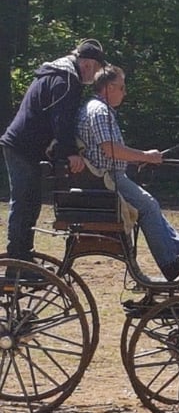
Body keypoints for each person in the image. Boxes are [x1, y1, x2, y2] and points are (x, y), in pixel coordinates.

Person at [76, 64, 179, 281]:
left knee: (151, 205)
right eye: (122, 88)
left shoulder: (95, 109)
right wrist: (146, 156)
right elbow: (110, 149)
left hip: (109, 177)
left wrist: (136, 160)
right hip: (106, 180)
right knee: (148, 206)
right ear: (109, 87)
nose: (125, 92)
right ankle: (171, 263)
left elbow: (108, 151)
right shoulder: (100, 111)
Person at [1, 39, 106, 275]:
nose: (97, 76)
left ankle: (22, 260)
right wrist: (70, 153)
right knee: (24, 203)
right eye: (98, 69)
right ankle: (16, 265)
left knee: (30, 203)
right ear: (88, 64)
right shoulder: (66, 81)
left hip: (26, 147)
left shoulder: (60, 74)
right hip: (22, 147)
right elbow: (62, 121)